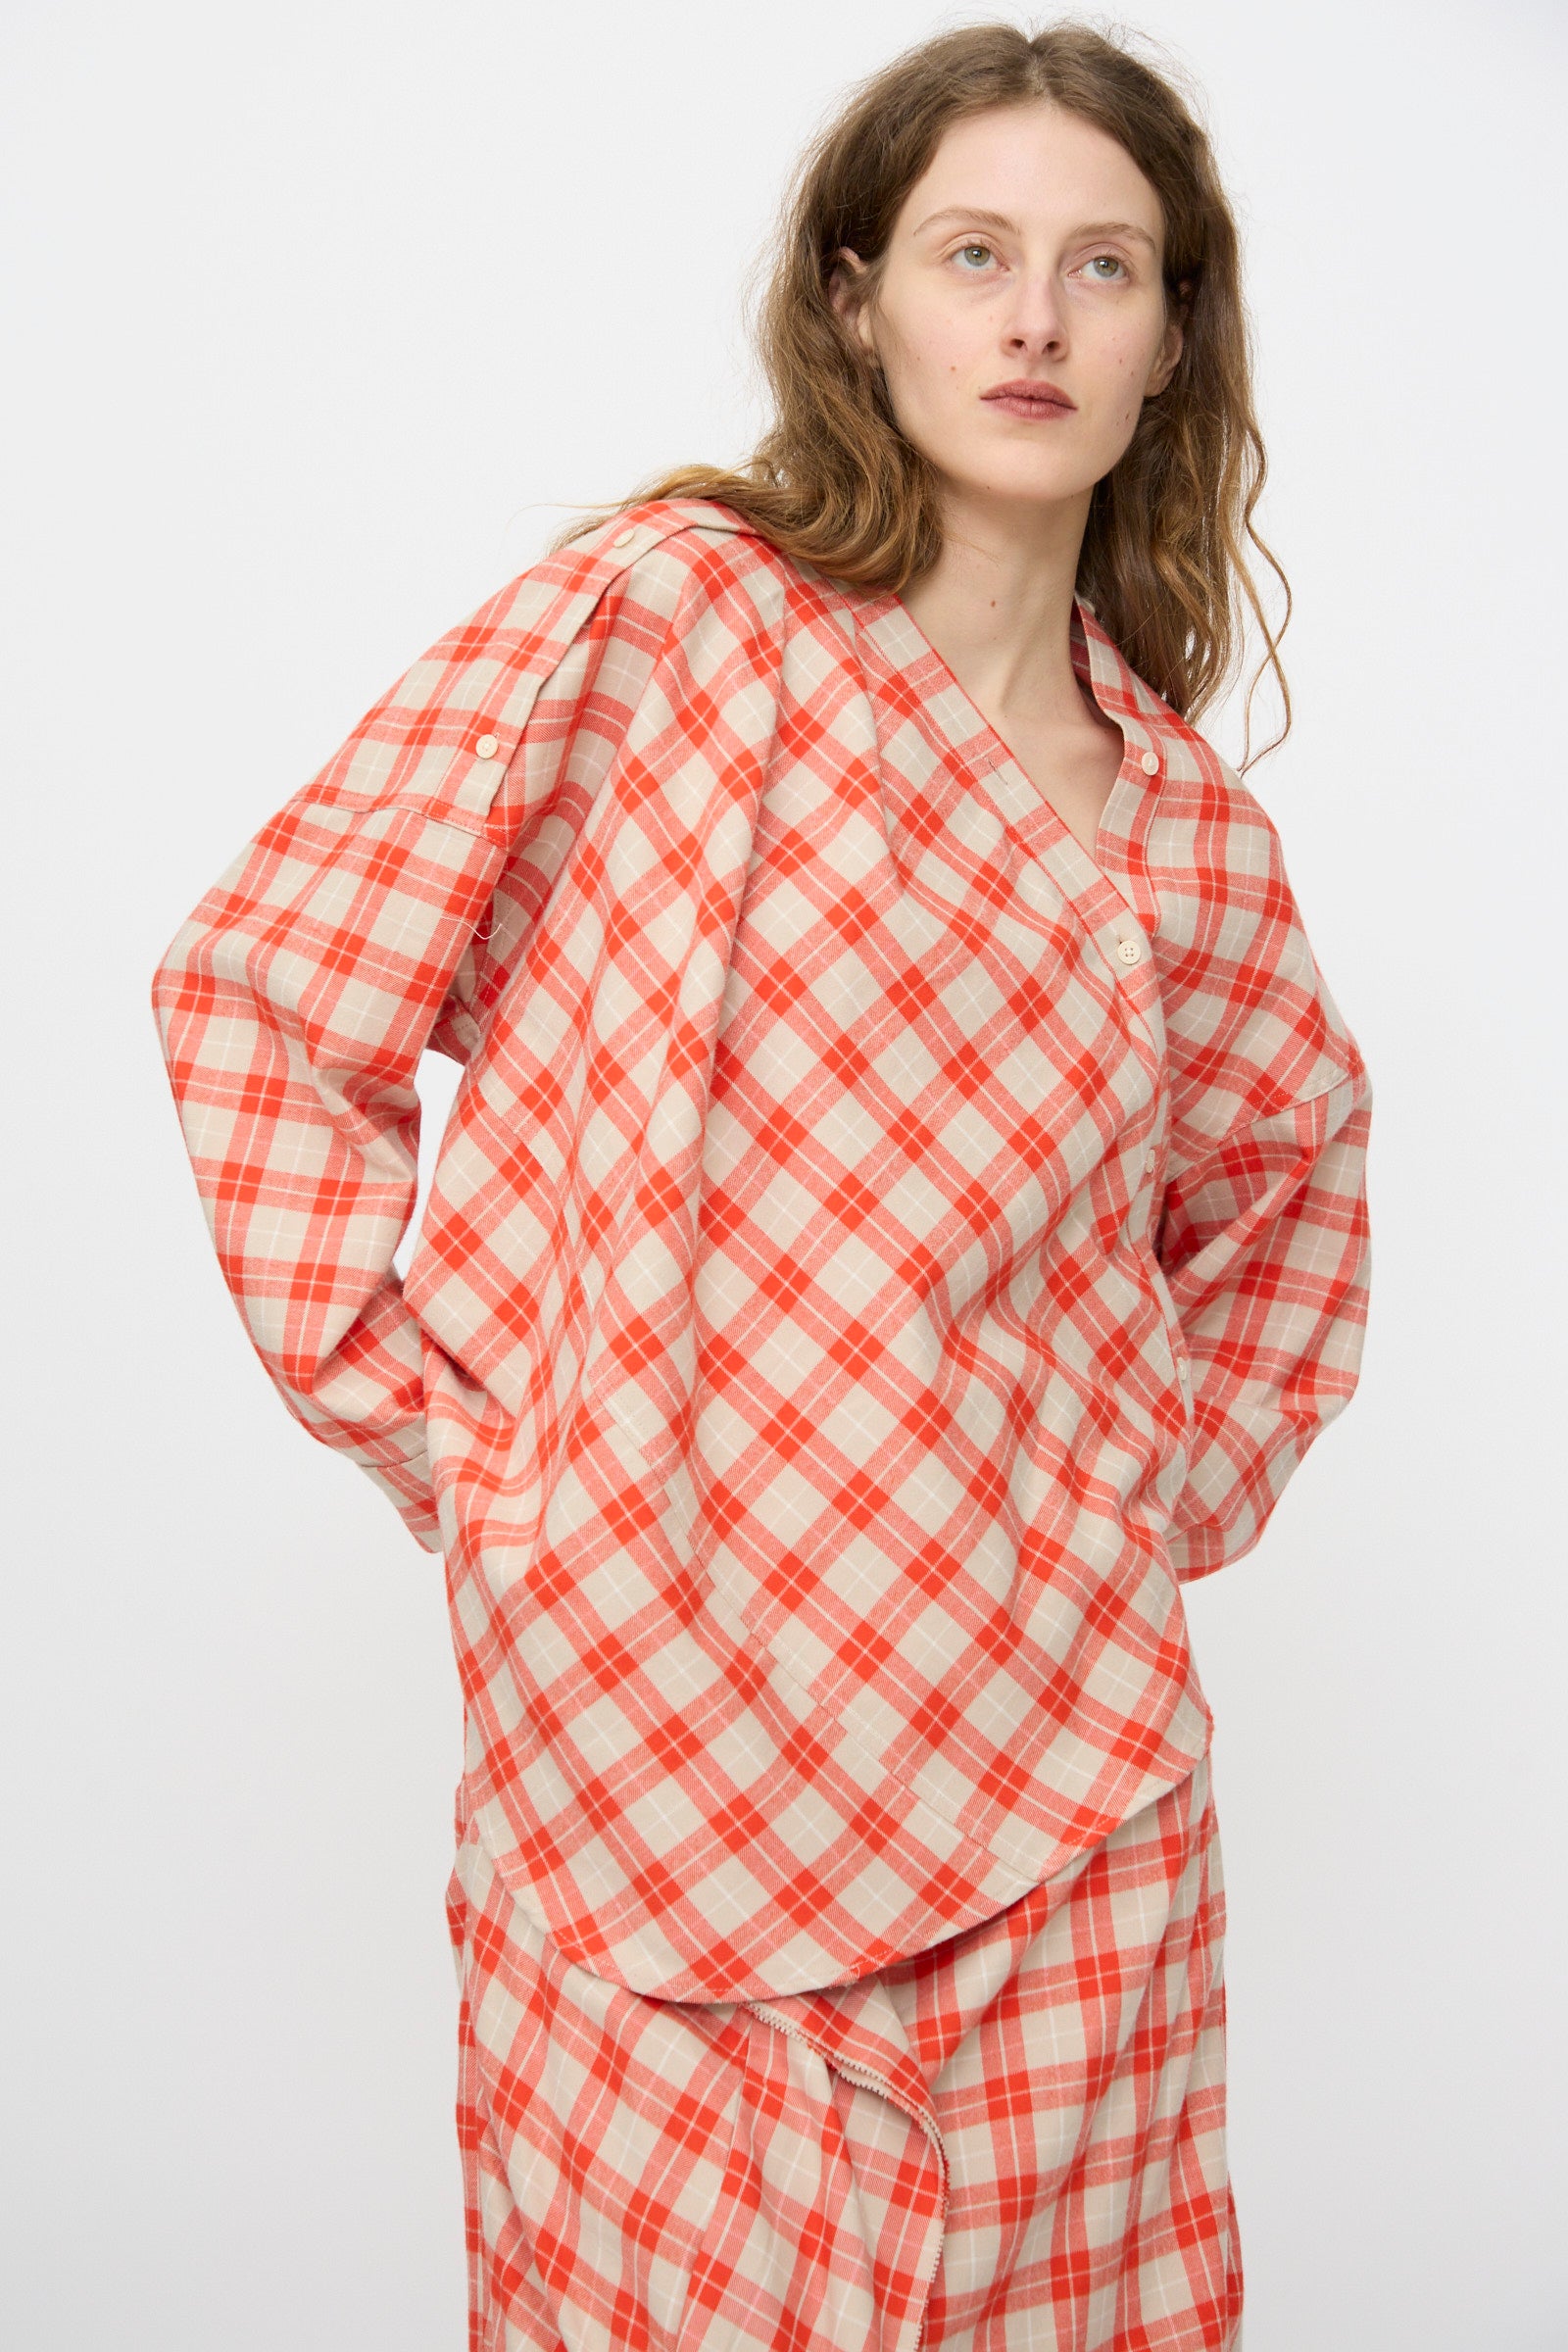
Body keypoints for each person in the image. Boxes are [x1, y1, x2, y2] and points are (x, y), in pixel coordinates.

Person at [152, 20, 1372, 2349]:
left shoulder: (1182, 822)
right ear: (852, 301)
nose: (1031, 318)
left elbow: (1289, 1179)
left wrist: (1144, 1486)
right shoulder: (664, 620)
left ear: (1168, 338)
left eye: (1100, 266)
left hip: (1069, 1785)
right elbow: (263, 990)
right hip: (652, 1728)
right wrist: (465, 1444)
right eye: (970, 252)